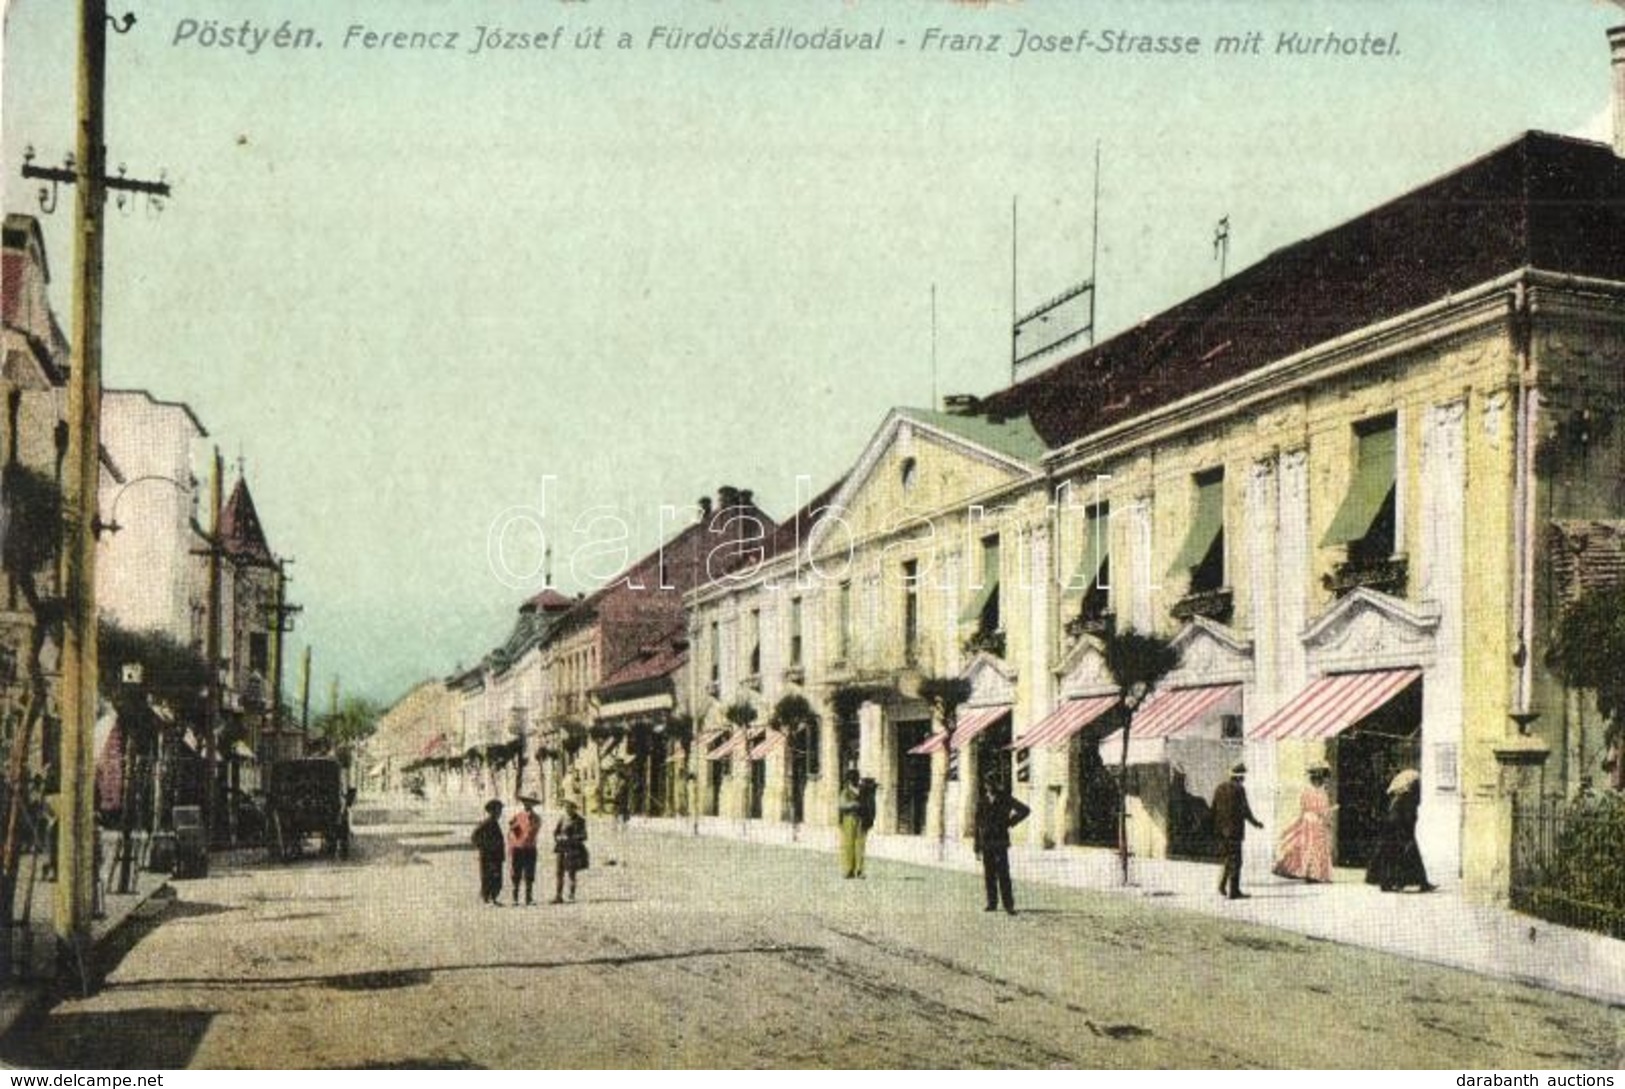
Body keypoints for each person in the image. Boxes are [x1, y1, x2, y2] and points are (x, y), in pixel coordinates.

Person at [1365, 768, 1436, 893]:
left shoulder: (1396, 799)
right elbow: (1406, 818)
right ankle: (1410, 883)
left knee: (1395, 859)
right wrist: (1407, 832)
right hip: (1401, 833)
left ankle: (1394, 883)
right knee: (1401, 859)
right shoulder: (1406, 799)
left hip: (1395, 833)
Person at [973, 779, 1030, 914]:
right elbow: (977, 826)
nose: (989, 787)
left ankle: (1008, 905)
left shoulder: (1005, 799)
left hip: (1000, 841)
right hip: (986, 842)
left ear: (995, 785)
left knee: (1003, 874)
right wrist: (976, 847)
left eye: (991, 784)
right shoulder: (982, 801)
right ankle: (992, 903)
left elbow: (1025, 810)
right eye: (987, 784)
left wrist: (1010, 822)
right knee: (989, 874)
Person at [1273, 763, 1335, 883]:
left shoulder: (1306, 791)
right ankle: (1315, 874)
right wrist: (1329, 816)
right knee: (1317, 848)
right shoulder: (1322, 794)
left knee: (1306, 846)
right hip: (1316, 822)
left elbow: (1304, 808)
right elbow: (1323, 811)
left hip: (1307, 821)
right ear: (1319, 781)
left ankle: (1307, 871)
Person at [1211, 762, 1264, 899]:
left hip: (1221, 831)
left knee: (1228, 858)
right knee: (1236, 861)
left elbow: (1214, 809)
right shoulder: (1239, 789)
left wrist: (1216, 829)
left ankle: (1222, 885)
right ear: (1239, 777)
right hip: (1234, 831)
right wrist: (1256, 823)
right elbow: (1245, 810)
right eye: (1243, 777)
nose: (1244, 779)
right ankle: (1234, 892)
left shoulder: (1219, 788)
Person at [508, 794, 543, 905]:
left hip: (529, 848)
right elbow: (512, 830)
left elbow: (533, 832)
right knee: (516, 872)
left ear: (533, 805)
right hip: (517, 848)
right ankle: (515, 898)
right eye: (525, 803)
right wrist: (514, 832)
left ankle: (529, 897)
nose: (527, 805)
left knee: (529, 873)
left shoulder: (536, 818)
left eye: (530, 804)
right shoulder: (517, 816)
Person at [552, 798, 589, 903]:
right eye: (566, 807)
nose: (567, 809)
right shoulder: (562, 819)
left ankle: (571, 895)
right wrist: (558, 837)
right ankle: (558, 896)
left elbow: (584, 836)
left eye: (569, 807)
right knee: (559, 872)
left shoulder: (580, 820)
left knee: (572, 873)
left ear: (574, 808)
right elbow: (555, 832)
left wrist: (572, 838)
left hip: (573, 849)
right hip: (561, 848)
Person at [471, 799, 505, 906]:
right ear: (492, 811)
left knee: (497, 878)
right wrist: (483, 847)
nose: (500, 813)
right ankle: (487, 898)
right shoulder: (487, 823)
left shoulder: (494, 823)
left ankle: (493, 898)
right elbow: (474, 836)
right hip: (488, 856)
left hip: (496, 856)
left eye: (500, 811)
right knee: (488, 877)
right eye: (498, 811)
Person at [836, 769, 867, 879]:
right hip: (849, 818)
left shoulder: (862, 791)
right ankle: (849, 869)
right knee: (848, 844)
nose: (855, 780)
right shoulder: (845, 792)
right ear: (849, 780)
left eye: (856, 778)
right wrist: (853, 804)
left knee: (860, 845)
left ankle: (859, 870)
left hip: (860, 819)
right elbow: (842, 805)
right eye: (853, 778)